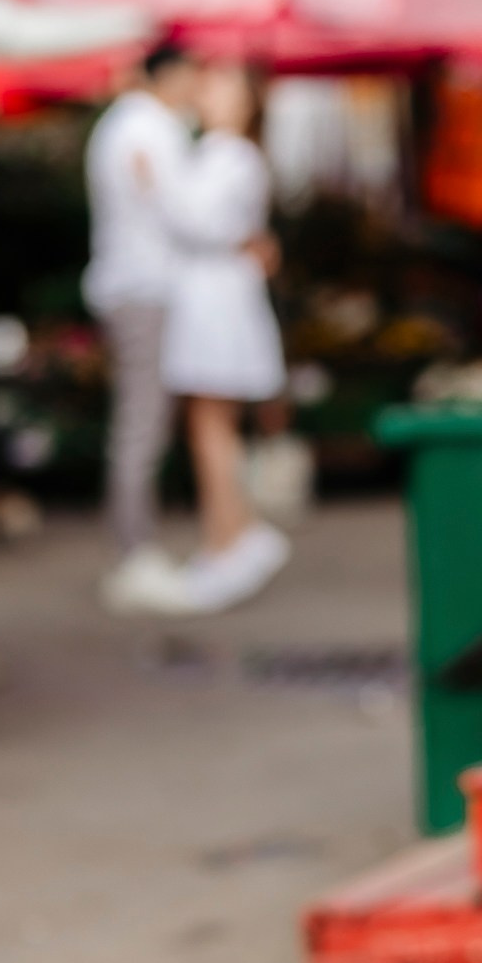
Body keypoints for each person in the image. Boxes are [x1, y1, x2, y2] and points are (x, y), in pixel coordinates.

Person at [154, 61, 290, 613]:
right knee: (208, 424)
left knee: (212, 424)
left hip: (216, 300)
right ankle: (227, 535)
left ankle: (230, 538)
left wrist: (154, 185)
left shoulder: (230, 156)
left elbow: (198, 221)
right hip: (211, 294)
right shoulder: (220, 154)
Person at [85, 41, 201, 614]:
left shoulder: (120, 124)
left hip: (128, 286)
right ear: (170, 75)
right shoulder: (152, 127)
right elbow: (180, 209)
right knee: (141, 421)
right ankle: (137, 552)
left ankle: (138, 547)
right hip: (144, 289)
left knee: (140, 419)